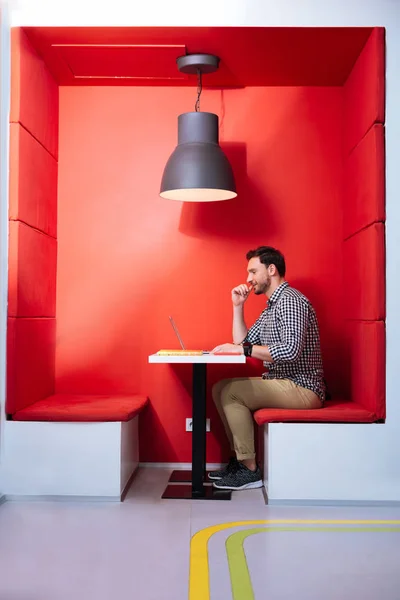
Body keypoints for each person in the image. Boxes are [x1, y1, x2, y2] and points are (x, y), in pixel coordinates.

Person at [209, 246, 325, 491]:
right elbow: (243, 342)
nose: (248, 279)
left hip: (303, 387)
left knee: (232, 391)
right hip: (283, 383)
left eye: (253, 271)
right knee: (220, 387)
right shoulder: (271, 307)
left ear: (271, 270)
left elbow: (290, 351)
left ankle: (250, 471)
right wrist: (237, 306)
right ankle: (241, 462)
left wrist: (244, 350)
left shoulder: (291, 301)